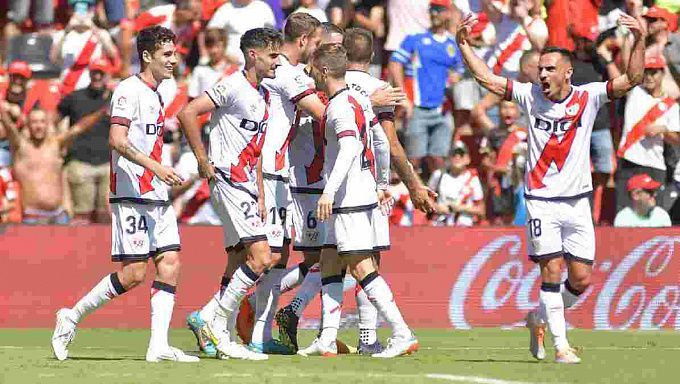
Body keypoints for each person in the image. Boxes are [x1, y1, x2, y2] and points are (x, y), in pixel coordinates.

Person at [455, 12, 646, 363]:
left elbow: (634, 78)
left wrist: (641, 38)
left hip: (577, 203)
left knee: (582, 278)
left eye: (549, 69)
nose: (542, 75)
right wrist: (464, 45)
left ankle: (538, 318)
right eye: (540, 69)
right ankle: (561, 346)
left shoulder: (589, 97)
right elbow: (486, 79)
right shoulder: (529, 96)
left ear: (567, 72)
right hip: (541, 200)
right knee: (552, 270)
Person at [50, 26, 197, 363]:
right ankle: (70, 316)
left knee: (170, 263)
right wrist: (155, 167)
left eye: (174, 54)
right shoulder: (129, 90)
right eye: (166, 55)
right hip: (131, 194)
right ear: (146, 56)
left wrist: (162, 170)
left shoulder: (157, 94)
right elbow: (116, 139)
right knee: (133, 274)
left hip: (156, 193)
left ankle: (158, 346)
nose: (174, 60)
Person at [297, 43, 418, 359]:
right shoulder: (359, 101)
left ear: (324, 71)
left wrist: (328, 191)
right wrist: (379, 182)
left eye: (312, 70)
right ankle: (327, 338)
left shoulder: (339, 107)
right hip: (358, 194)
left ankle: (403, 332)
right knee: (329, 262)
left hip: (347, 199)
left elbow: (351, 147)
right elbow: (379, 141)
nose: (310, 76)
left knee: (362, 267)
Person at [177, 27, 284, 361]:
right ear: (253, 54)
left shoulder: (264, 96)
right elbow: (187, 112)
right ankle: (214, 320)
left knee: (239, 257)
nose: (277, 61)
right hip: (227, 179)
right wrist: (201, 159)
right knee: (263, 257)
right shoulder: (232, 85)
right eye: (272, 55)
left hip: (248, 185)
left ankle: (213, 327)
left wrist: (262, 193)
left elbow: (254, 150)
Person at [389, 0, 464, 177]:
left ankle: (436, 200)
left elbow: (460, 69)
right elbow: (394, 64)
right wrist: (404, 97)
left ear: (448, 13)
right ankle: (412, 201)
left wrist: (456, 77)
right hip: (418, 109)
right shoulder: (415, 39)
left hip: (442, 109)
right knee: (413, 160)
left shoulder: (452, 45)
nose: (434, 14)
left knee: (438, 160)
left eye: (438, 10)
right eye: (431, 10)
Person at [2, 105, 105, 224]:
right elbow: (9, 126)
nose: (39, 126)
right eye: (34, 122)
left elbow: (79, 128)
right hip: (32, 217)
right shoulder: (20, 147)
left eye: (42, 122)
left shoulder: (55, 144)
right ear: (28, 125)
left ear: (48, 124)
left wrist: (102, 112)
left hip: (59, 216)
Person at [616, 55, 679, 211]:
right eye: (647, 72)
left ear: (662, 74)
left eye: (654, 72)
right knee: (624, 212)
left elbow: (678, 140)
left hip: (654, 165)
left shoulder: (671, 106)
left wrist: (663, 130)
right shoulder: (635, 92)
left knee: (654, 214)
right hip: (628, 161)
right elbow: (627, 67)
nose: (649, 77)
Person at [57, 59, 113, 224]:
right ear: (89, 73)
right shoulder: (75, 97)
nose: (97, 76)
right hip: (80, 163)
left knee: (107, 216)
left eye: (101, 73)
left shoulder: (117, 98)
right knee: (81, 216)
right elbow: (54, 120)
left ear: (108, 75)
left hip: (108, 164)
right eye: (94, 72)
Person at [428, 141, 485, 227]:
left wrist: (460, 208)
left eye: (461, 154)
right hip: (440, 225)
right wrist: (437, 208)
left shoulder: (473, 179)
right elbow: (426, 200)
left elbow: (481, 210)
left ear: (467, 159)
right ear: (449, 158)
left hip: (464, 226)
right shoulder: (438, 175)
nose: (457, 157)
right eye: (454, 154)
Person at [207, 0, 276, 65]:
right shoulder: (225, 9)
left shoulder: (263, 8)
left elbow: (272, 37)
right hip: (231, 63)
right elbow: (211, 34)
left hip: (258, 63)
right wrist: (224, 55)